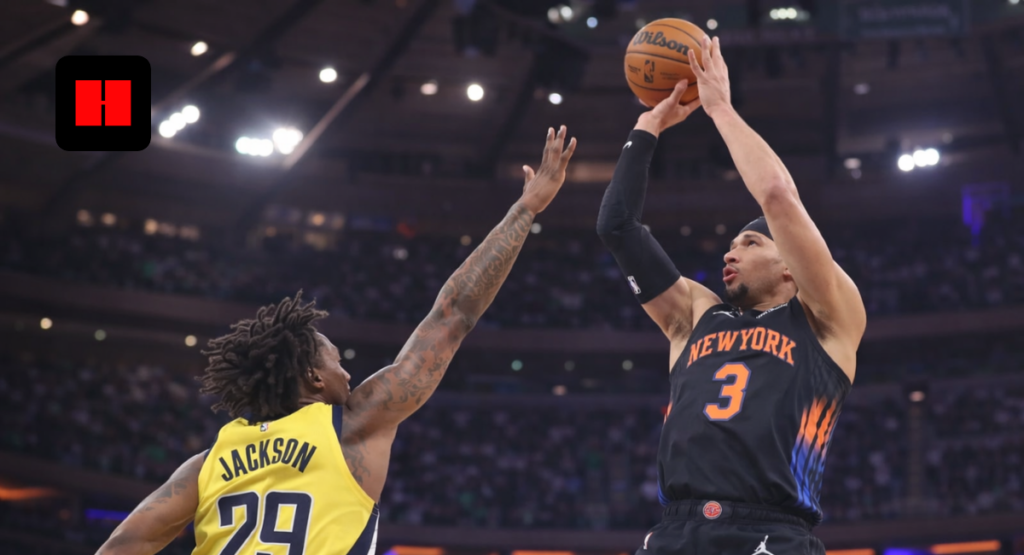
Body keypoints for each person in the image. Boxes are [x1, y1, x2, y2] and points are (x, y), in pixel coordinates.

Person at [95, 126, 577, 555]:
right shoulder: (353, 425)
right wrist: (525, 209)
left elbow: (124, 543)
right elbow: (453, 315)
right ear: (312, 376)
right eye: (335, 359)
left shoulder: (206, 463)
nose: (347, 371)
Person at [596, 36, 866, 555]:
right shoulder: (695, 314)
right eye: (730, 245)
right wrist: (645, 129)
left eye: (749, 242)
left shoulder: (827, 316)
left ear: (790, 263)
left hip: (771, 532)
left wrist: (718, 106)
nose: (730, 253)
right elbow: (618, 226)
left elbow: (777, 195)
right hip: (673, 531)